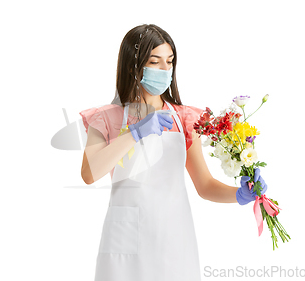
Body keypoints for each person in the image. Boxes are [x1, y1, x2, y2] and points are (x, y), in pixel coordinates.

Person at [79, 24, 268, 281]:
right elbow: (90, 173)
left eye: (169, 61)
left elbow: (204, 185)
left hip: (174, 241)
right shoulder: (107, 118)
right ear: (132, 66)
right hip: (125, 245)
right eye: (155, 62)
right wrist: (134, 133)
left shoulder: (185, 118)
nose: (165, 70)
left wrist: (239, 194)